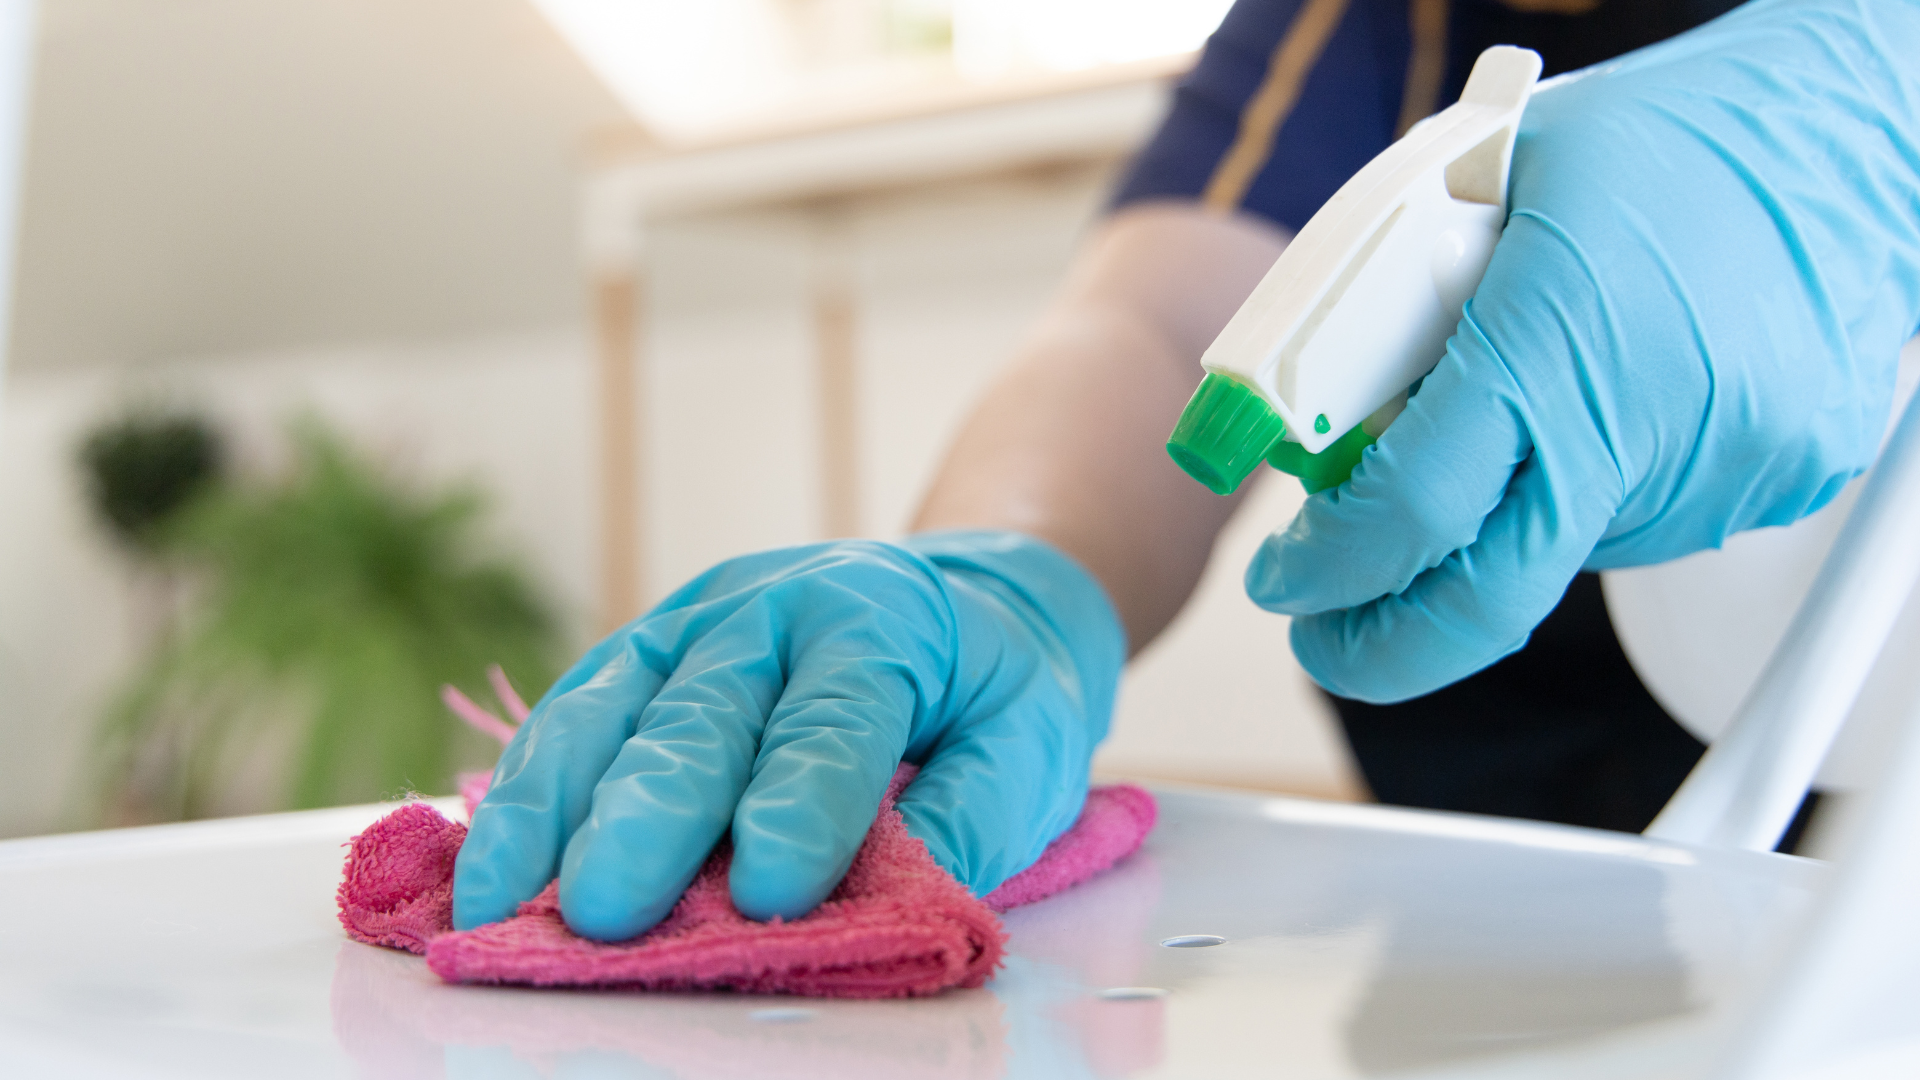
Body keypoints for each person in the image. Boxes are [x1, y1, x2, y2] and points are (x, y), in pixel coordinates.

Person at [453, 0, 1920, 941]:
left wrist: (1882, 112)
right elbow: (1161, 329)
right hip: (1502, 882)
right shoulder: (1361, 24)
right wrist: (1005, 567)